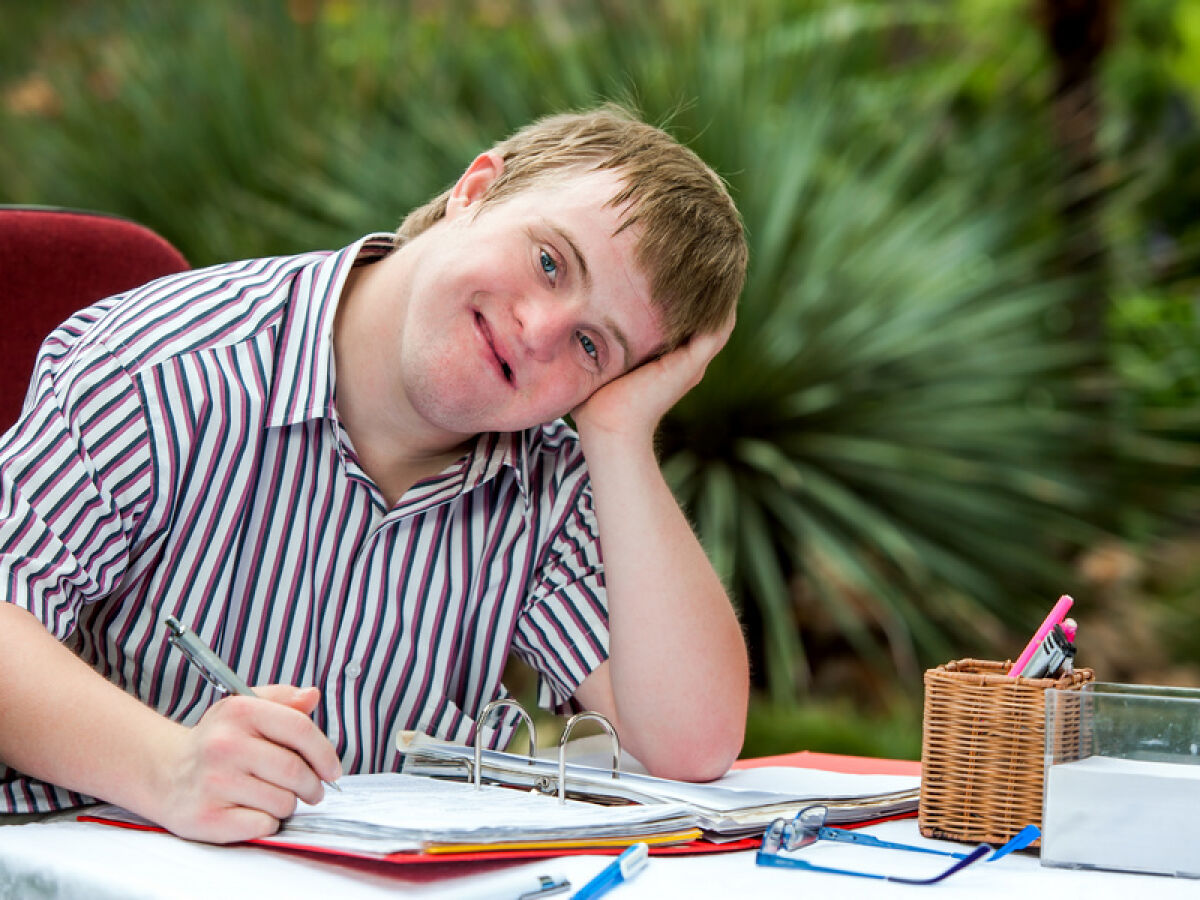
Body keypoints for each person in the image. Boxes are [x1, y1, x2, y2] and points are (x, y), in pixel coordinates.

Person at [0, 106, 749, 843]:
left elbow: (689, 745)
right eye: (549, 262)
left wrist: (619, 434)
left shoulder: (550, 474)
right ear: (476, 190)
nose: (540, 330)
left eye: (592, 346)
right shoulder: (163, 367)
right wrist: (171, 768)